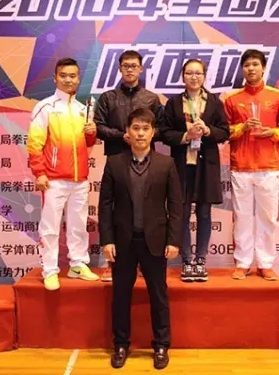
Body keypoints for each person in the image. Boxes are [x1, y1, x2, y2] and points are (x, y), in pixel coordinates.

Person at [98, 108, 182, 370]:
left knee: (159, 295)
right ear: (128, 132)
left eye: (146, 128)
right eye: (136, 128)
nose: (141, 133)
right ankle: (121, 344)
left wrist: (173, 240)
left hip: (155, 242)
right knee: (121, 295)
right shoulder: (114, 163)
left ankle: (161, 345)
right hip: (123, 242)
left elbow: (175, 205)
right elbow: (105, 205)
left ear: (153, 132)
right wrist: (107, 240)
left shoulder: (166, 164)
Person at [26, 57, 100, 291]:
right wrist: (39, 173)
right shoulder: (46, 107)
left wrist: (92, 132)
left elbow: (88, 143)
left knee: (78, 224)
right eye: (64, 76)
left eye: (73, 76)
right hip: (53, 179)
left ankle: (78, 264)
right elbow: (34, 143)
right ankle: (49, 269)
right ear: (55, 78)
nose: (68, 80)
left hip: (80, 179)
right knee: (50, 227)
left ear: (78, 79)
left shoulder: (82, 109)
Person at [222, 49, 279, 281]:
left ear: (263, 68)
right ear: (242, 69)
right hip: (241, 166)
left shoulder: (277, 96)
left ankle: (265, 263)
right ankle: (242, 263)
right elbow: (223, 131)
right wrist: (241, 128)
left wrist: (272, 132)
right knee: (241, 217)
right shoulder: (232, 99)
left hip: (268, 166)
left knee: (268, 218)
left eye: (255, 64)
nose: (251, 69)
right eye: (247, 65)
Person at [93, 49, 164, 282]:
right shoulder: (108, 97)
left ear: (141, 69)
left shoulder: (151, 98)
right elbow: (98, 126)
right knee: (114, 210)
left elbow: (162, 128)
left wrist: (141, 137)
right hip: (116, 159)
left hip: (146, 161)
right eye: (126, 66)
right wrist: (121, 136)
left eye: (134, 66)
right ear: (120, 69)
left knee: (146, 209)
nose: (130, 70)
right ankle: (111, 264)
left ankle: (145, 263)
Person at [159, 59, 229, 282]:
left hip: (206, 165)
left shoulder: (215, 102)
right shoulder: (173, 103)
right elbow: (164, 133)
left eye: (198, 73)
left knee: (204, 213)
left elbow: (225, 131)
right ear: (183, 76)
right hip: (182, 165)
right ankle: (187, 260)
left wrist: (208, 131)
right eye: (189, 73)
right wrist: (185, 136)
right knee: (181, 212)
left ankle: (201, 260)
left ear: (204, 76)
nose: (194, 77)